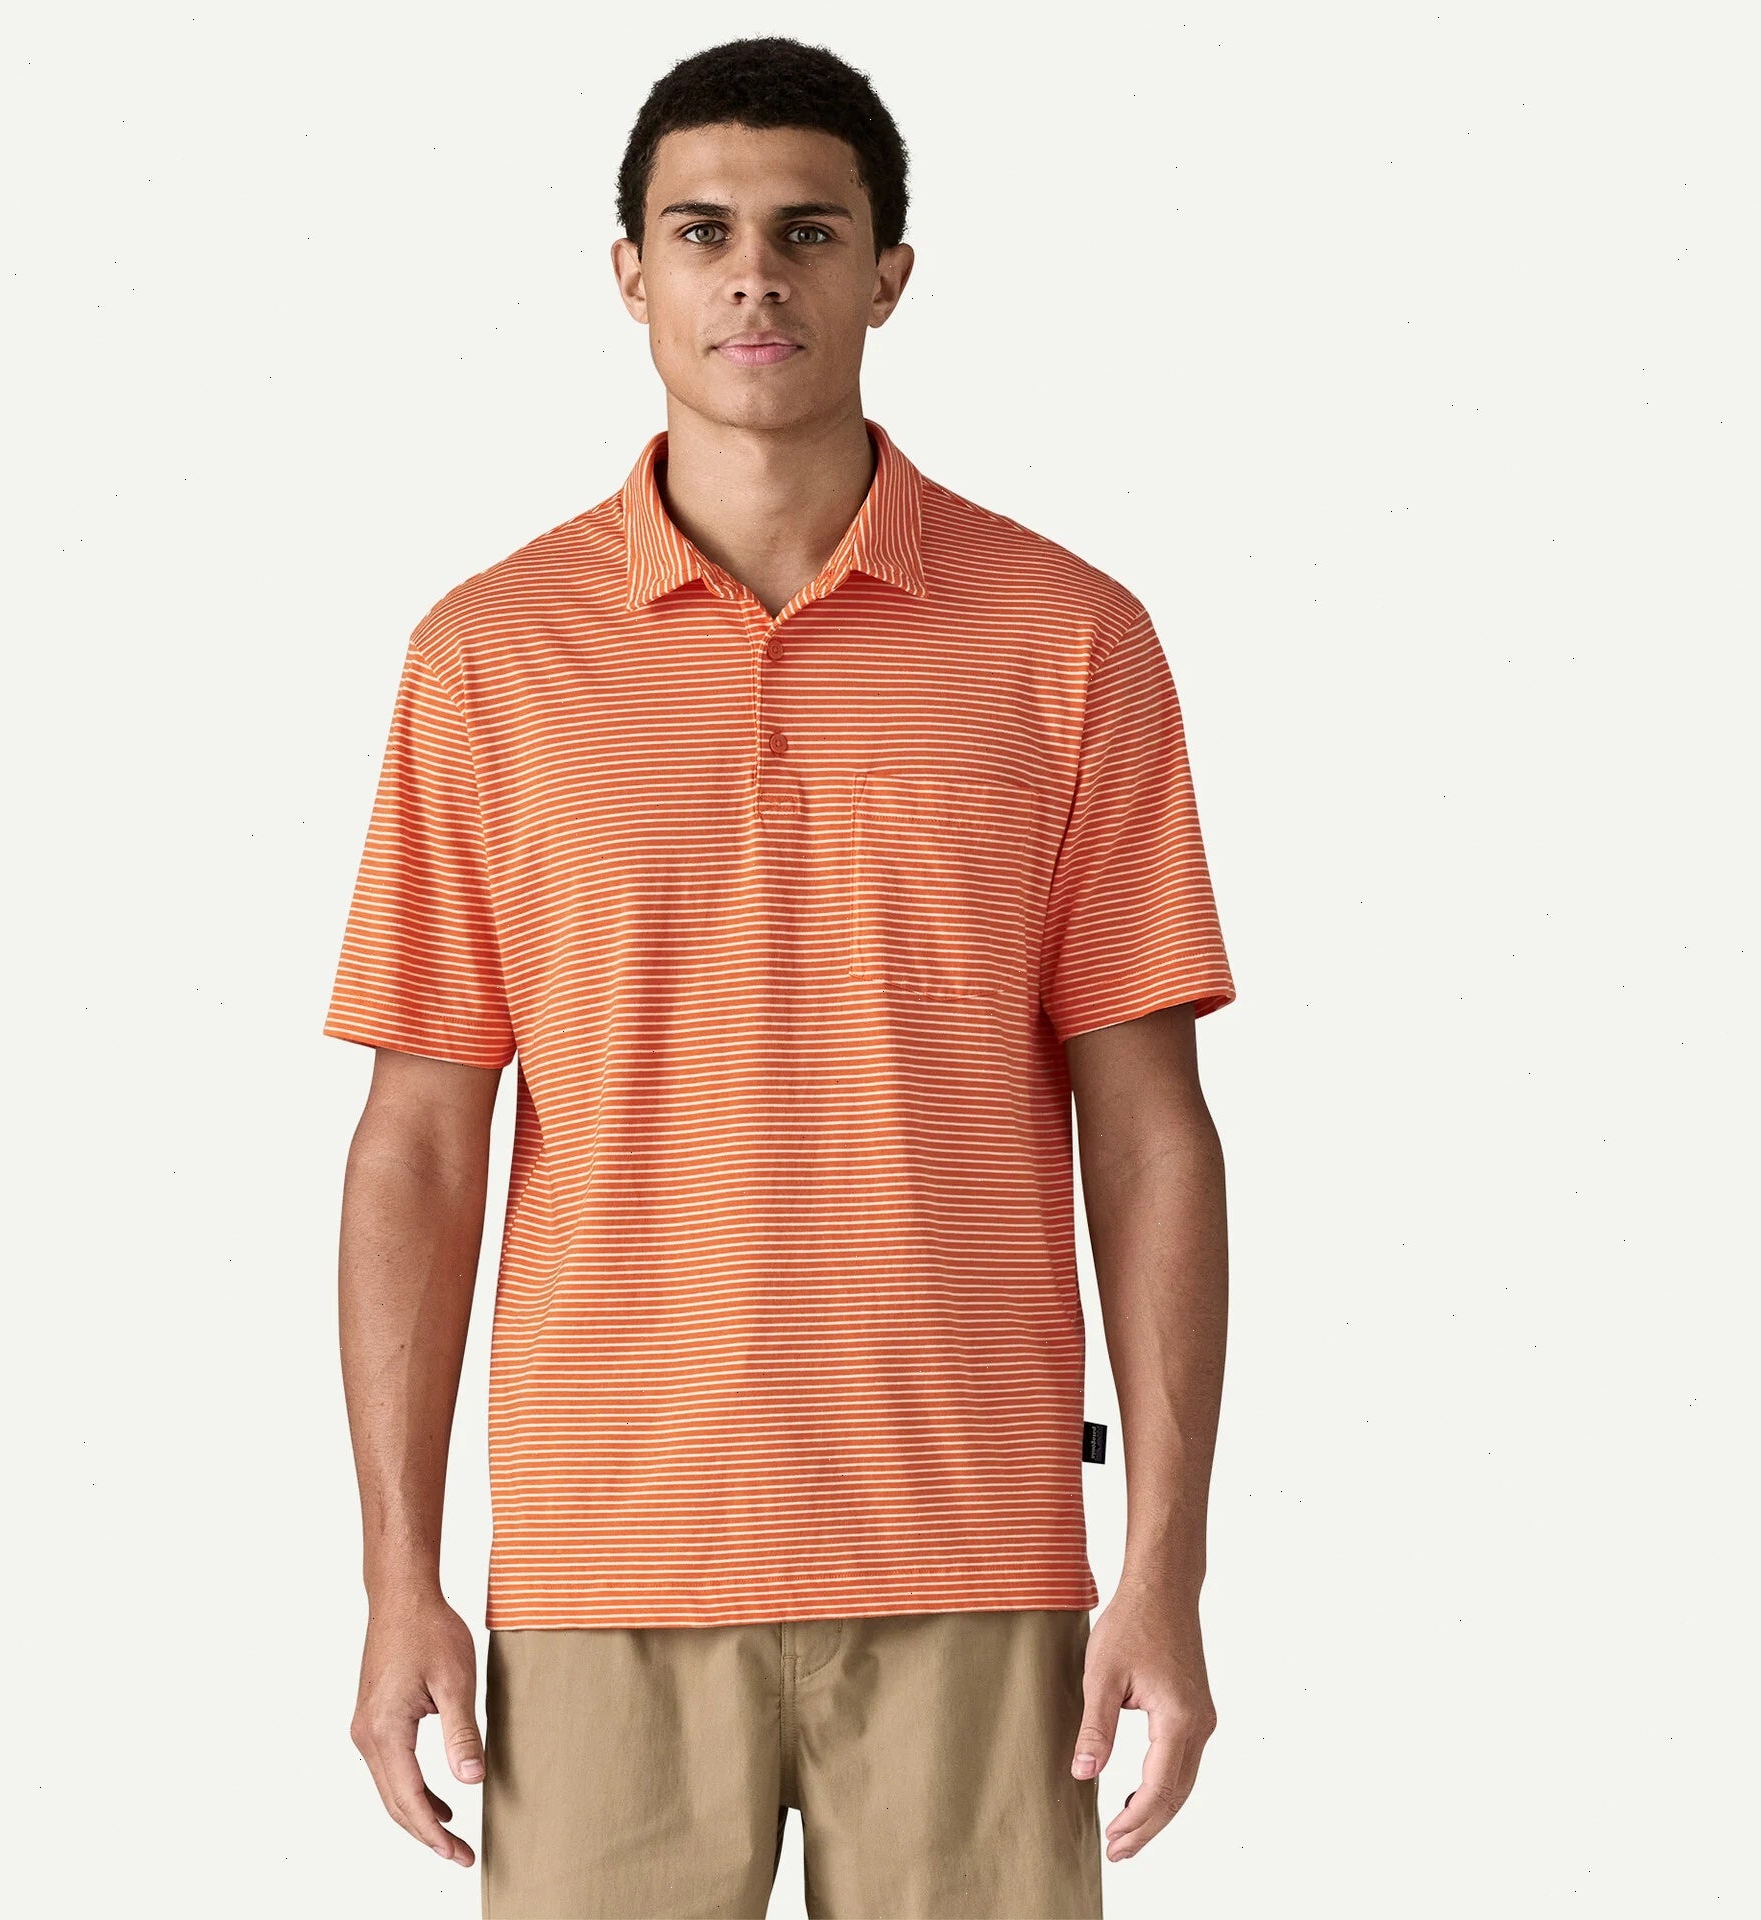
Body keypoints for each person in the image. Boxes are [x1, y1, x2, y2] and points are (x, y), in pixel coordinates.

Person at [324, 34, 1237, 1919]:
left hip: (977, 1560)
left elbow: (1152, 1131)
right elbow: (419, 1137)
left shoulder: (1070, 640)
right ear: (630, 273)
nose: (755, 275)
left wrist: (1168, 1563)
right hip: (603, 1562)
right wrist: (396, 1576)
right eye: (704, 230)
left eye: (809, 231)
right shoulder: (487, 657)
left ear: (887, 275)